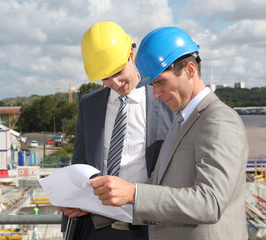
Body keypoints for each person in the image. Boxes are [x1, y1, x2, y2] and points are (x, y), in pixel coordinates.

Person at [89, 26, 249, 239]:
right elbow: (158, 187)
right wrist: (99, 200)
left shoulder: (219, 119)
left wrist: (134, 193)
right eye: (152, 85)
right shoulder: (180, 122)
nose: (156, 94)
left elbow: (210, 202)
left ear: (190, 70)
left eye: (161, 82)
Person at [59, 21, 174, 240]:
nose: (115, 83)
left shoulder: (167, 104)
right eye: (106, 78)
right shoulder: (88, 104)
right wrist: (68, 222)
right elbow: (79, 162)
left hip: (148, 229)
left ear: (132, 53)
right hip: (93, 229)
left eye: (118, 72)